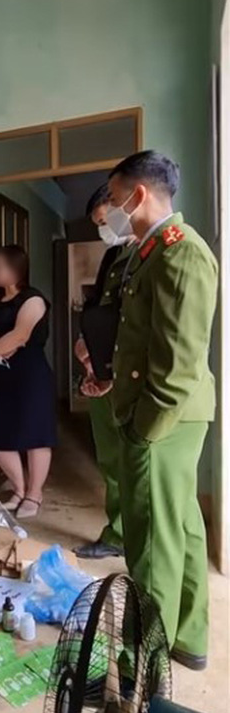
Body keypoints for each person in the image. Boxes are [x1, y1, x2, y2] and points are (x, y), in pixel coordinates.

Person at [107, 150, 218, 671]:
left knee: (151, 539)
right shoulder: (151, 250)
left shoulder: (181, 253)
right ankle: (188, 638)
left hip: (163, 417)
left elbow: (179, 361)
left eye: (114, 198)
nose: (111, 209)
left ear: (139, 195)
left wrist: (143, 429)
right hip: (171, 414)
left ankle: (140, 669)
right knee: (181, 523)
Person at [72, 185, 136, 558]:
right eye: (98, 224)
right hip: (101, 371)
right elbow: (98, 307)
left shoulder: (154, 253)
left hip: (130, 377)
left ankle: (135, 539)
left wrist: (113, 373)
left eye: (105, 220)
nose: (104, 229)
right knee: (111, 460)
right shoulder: (115, 254)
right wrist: (87, 351)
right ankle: (118, 534)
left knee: (136, 465)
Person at [0, 245, 56, 517]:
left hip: (31, 375)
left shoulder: (33, 299)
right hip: (4, 376)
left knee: (36, 436)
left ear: (16, 269)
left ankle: (34, 495)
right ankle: (19, 489)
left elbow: (21, 335)